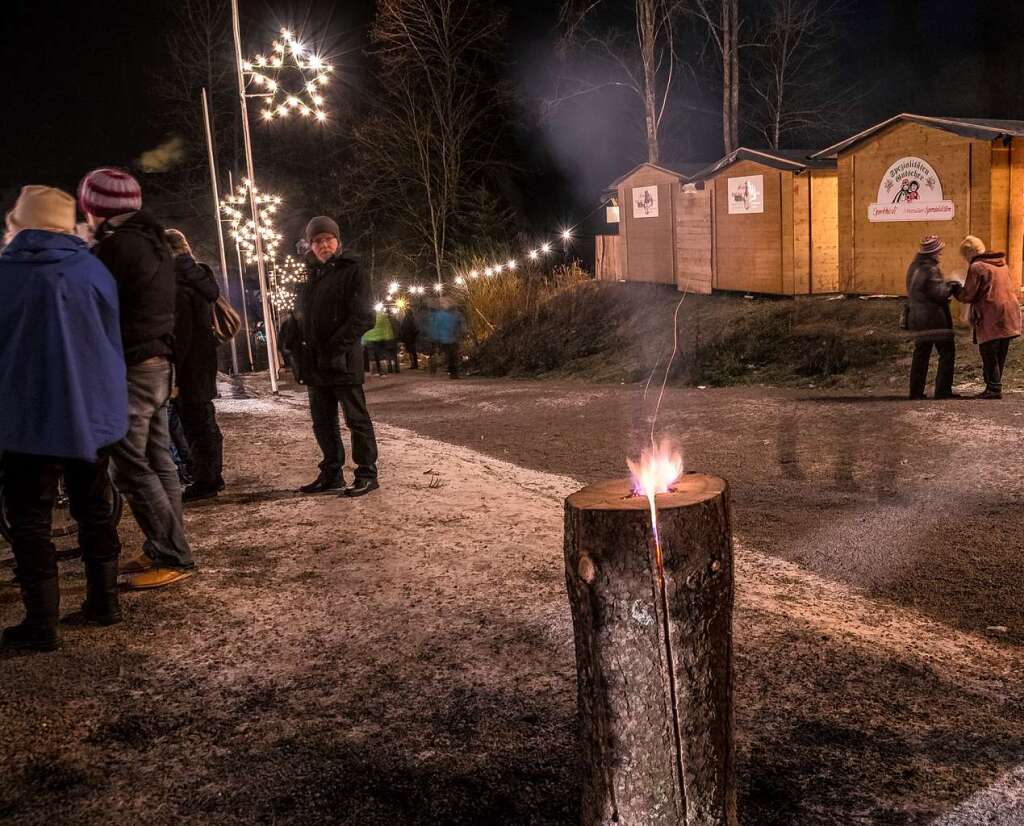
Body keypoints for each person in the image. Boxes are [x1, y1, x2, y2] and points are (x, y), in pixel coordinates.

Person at [0, 186, 128, 651]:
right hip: (89, 410)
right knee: (94, 506)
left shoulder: (6, 273)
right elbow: (111, 336)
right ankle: (105, 600)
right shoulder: (92, 271)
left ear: (21, 223)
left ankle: (41, 622)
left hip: (25, 413)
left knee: (29, 516)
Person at [79, 168, 195, 588]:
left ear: (102, 208)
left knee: (128, 468)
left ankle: (173, 554)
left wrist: (88, 245)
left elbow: (89, 299)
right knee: (158, 459)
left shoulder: (118, 248)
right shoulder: (152, 242)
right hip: (157, 361)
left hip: (131, 365)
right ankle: (165, 549)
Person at [280, 217, 379, 497]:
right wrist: (292, 338)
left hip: (342, 360)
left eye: (328, 239)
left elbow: (364, 316)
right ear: (310, 246)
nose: (323, 245)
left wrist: (336, 347)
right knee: (322, 421)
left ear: (338, 241)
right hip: (315, 363)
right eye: (317, 241)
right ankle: (331, 472)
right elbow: (303, 317)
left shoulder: (353, 271)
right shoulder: (310, 276)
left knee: (356, 419)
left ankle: (367, 473)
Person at [165, 229, 225, 499]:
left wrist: (174, 370)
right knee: (204, 420)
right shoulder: (199, 274)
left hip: (188, 365)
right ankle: (212, 476)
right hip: (204, 360)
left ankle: (206, 480)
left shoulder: (177, 281)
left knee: (195, 424)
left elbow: (181, 332)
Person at [953, 236, 1022, 399]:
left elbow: (968, 295)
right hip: (1009, 311)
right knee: (1000, 350)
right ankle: (994, 385)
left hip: (990, 312)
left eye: (964, 255)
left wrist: (956, 290)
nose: (965, 259)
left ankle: (993, 388)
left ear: (969, 252)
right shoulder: (1002, 264)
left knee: (988, 350)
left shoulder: (977, 267)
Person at [906, 235, 960, 400]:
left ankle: (915, 391)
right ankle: (943, 390)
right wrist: (952, 285)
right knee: (947, 352)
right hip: (935, 319)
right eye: (939, 252)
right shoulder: (930, 269)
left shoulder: (913, 267)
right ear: (933, 252)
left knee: (921, 354)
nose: (940, 254)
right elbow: (939, 294)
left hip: (918, 317)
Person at [429, 296, 466, 379]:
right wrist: (462, 333)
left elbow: (435, 327)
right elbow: (459, 326)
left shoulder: (440, 315)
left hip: (444, 339)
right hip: (452, 338)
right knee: (453, 356)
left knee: (448, 356)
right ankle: (453, 373)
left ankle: (445, 370)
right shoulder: (454, 315)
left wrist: (435, 338)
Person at [362, 307, 395, 377]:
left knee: (372, 356)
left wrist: (364, 339)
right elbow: (388, 327)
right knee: (382, 356)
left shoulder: (368, 317)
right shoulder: (383, 316)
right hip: (381, 338)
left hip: (371, 339)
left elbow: (366, 328)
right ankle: (384, 373)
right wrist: (389, 336)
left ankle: (375, 372)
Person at [398, 304, 420, 369]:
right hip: (411, 338)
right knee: (412, 352)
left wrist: (404, 336)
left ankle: (414, 364)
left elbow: (404, 328)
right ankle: (414, 364)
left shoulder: (407, 319)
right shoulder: (411, 318)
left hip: (409, 338)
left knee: (411, 352)